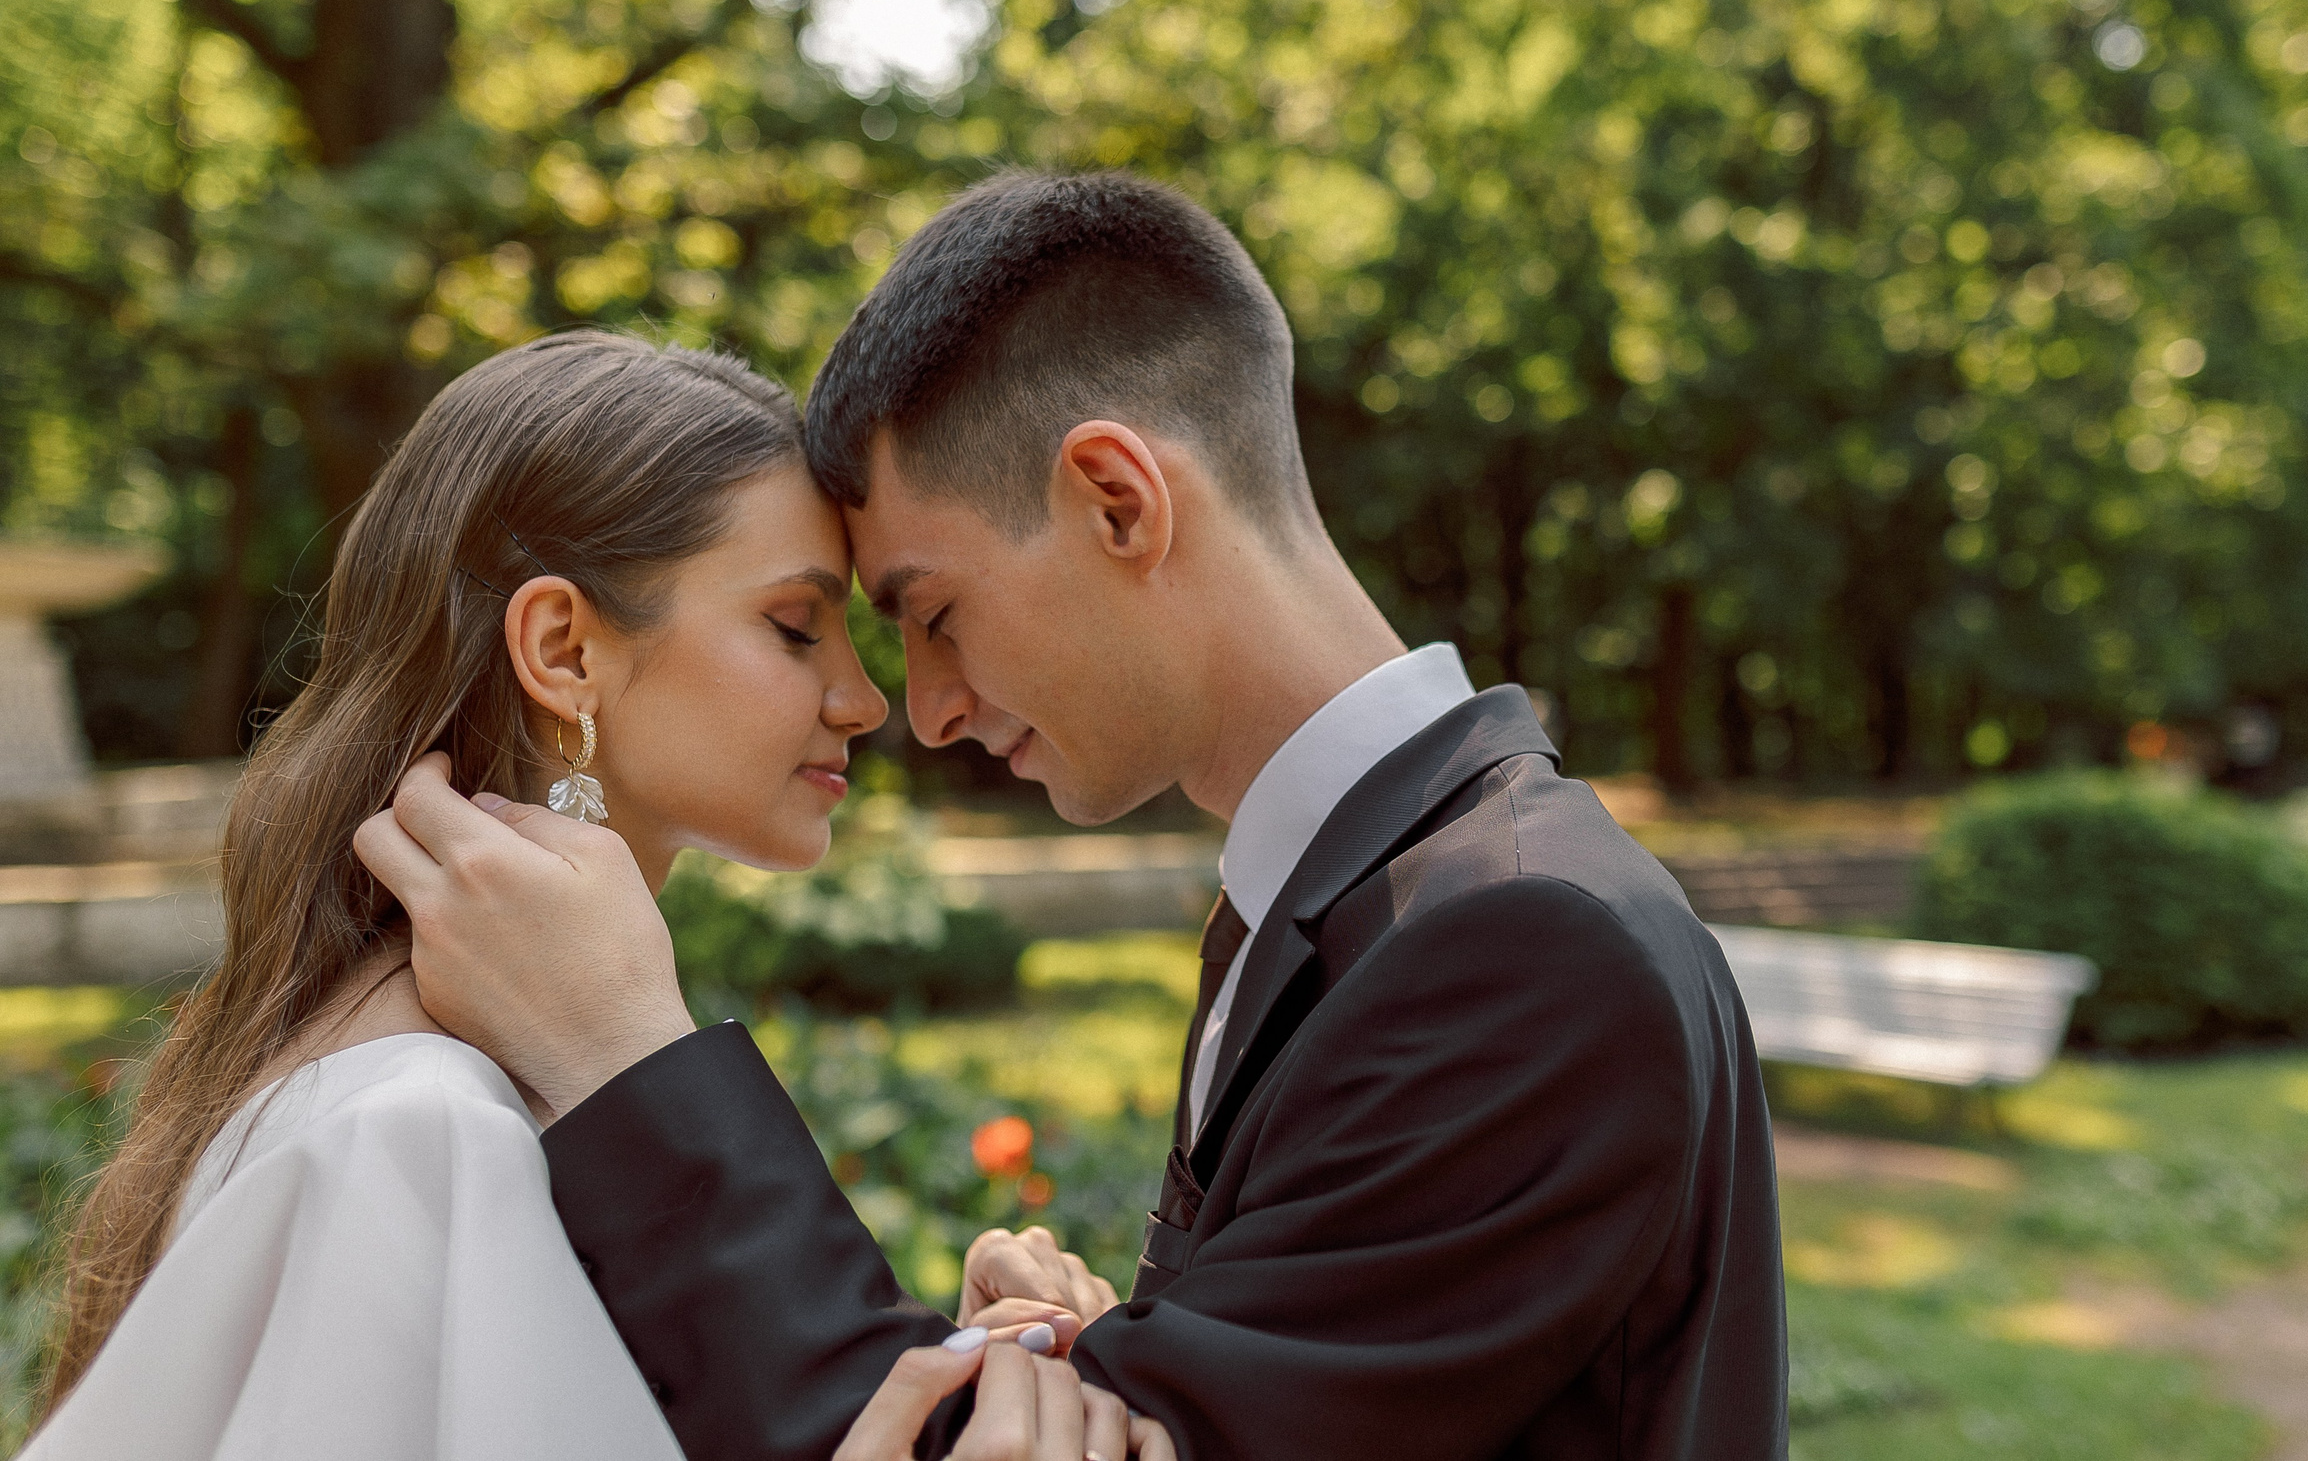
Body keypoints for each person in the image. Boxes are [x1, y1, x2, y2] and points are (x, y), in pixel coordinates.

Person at [368, 171, 1791, 1460]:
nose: (920, 707)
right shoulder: (1374, 891)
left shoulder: (1518, 941)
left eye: (931, 612)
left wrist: (623, 1052)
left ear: (1117, 502)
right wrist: (1060, 1364)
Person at [24, 333, 1162, 1461]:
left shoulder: (512, 1077)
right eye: (795, 628)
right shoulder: (418, 1127)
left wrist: (929, 1408)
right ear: (564, 649)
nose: (867, 701)